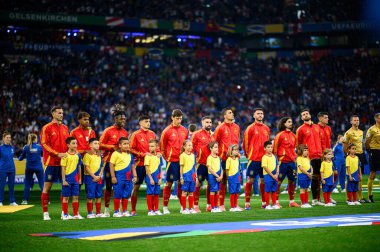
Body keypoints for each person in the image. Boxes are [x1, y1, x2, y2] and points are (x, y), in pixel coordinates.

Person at [40, 106, 69, 221]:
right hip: (51, 162)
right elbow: (44, 144)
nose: (61, 114)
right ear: (53, 114)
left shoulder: (65, 128)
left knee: (65, 186)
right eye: (59, 113)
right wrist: (57, 154)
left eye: (62, 113)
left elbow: (68, 144)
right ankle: (45, 213)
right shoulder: (46, 128)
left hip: (63, 163)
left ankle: (64, 213)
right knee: (47, 187)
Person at [99, 104, 128, 217]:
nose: (123, 121)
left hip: (121, 164)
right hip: (109, 162)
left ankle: (119, 210)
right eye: (121, 119)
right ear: (116, 119)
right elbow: (100, 145)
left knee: (121, 186)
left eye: (124, 119)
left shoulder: (125, 132)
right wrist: (112, 147)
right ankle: (106, 209)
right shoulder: (108, 131)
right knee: (109, 186)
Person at [160, 109, 189, 214]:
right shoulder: (166, 131)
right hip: (172, 161)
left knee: (182, 184)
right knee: (169, 183)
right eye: (177, 118)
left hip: (183, 161)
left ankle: (183, 207)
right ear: (172, 117)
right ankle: (165, 207)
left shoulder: (185, 130)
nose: (179, 120)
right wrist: (167, 159)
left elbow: (186, 145)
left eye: (180, 118)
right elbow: (162, 147)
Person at [129, 115, 158, 216]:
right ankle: (133, 210)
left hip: (152, 165)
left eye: (149, 121)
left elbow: (156, 147)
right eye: (146, 121)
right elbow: (130, 149)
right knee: (136, 187)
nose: (148, 123)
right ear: (140, 123)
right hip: (140, 164)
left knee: (153, 186)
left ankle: (153, 210)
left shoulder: (152, 134)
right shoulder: (135, 135)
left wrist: (158, 153)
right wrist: (142, 154)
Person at [242, 108, 269, 210]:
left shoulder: (266, 128)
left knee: (263, 181)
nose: (260, 115)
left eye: (261, 113)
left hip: (264, 159)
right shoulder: (250, 128)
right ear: (254, 115)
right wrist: (249, 155)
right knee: (250, 180)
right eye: (258, 113)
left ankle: (264, 202)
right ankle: (247, 203)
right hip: (254, 159)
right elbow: (245, 143)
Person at [214, 108, 240, 211]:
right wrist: (220, 155)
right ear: (224, 116)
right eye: (229, 113)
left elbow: (237, 141)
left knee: (236, 181)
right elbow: (215, 142)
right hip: (224, 158)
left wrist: (236, 153)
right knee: (224, 181)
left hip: (235, 159)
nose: (232, 114)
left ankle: (235, 204)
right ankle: (221, 205)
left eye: (232, 112)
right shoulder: (220, 128)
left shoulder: (237, 127)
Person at [296, 109, 323, 206]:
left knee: (319, 178)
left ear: (310, 115)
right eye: (303, 114)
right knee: (313, 178)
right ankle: (313, 200)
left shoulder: (317, 127)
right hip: (309, 157)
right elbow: (298, 145)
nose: (305, 115)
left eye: (307, 113)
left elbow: (321, 141)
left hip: (319, 155)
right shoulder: (300, 129)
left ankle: (317, 199)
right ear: (301, 118)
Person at [273, 117, 299, 208]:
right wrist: (276, 162)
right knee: (278, 182)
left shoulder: (293, 135)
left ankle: (292, 201)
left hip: (292, 162)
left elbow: (294, 149)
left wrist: (295, 158)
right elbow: (275, 150)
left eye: (291, 122)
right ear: (284, 124)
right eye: (289, 122)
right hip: (282, 162)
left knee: (292, 182)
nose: (291, 123)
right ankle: (275, 201)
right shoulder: (279, 135)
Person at [110, 137, 136, 217]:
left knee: (126, 194)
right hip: (119, 177)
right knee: (118, 194)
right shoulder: (115, 154)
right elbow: (111, 165)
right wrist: (113, 177)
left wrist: (135, 176)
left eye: (127, 144)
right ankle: (116, 212)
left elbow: (133, 166)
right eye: (124, 144)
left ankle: (124, 211)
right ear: (120, 145)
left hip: (128, 178)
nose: (126, 145)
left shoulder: (130, 155)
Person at [191, 116, 214, 212]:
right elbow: (191, 149)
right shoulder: (197, 134)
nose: (209, 124)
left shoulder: (213, 135)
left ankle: (209, 205)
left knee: (211, 184)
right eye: (207, 122)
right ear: (202, 123)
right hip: (201, 163)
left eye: (210, 122)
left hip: (211, 164)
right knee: (198, 183)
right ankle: (195, 205)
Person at [343, 115, 367, 203]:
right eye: (355, 120)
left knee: (359, 177)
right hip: (351, 155)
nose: (357, 121)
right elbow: (344, 145)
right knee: (349, 178)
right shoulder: (348, 132)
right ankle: (348, 198)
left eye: (358, 120)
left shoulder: (361, 132)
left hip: (360, 154)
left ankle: (360, 197)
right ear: (351, 122)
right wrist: (347, 155)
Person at [70, 112, 96, 191]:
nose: (87, 121)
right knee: (78, 184)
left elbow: (94, 146)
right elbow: (70, 147)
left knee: (90, 184)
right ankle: (75, 201)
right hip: (78, 162)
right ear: (79, 120)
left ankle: (90, 202)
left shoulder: (91, 132)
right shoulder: (74, 132)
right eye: (85, 119)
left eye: (88, 119)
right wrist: (83, 151)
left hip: (89, 162)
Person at [61, 137, 83, 220]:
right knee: (66, 197)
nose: (75, 145)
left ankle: (75, 214)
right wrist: (64, 180)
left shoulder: (78, 155)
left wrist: (80, 178)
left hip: (75, 180)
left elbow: (79, 167)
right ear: (68, 145)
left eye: (76, 143)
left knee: (76, 197)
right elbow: (63, 168)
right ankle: (65, 214)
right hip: (67, 179)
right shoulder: (65, 155)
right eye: (73, 143)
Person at [19, 133, 44, 205]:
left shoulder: (26, 147)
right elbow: (43, 155)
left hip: (29, 168)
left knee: (27, 184)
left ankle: (24, 200)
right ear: (35, 139)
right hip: (38, 167)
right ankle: (46, 200)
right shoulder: (39, 147)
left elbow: (20, 158)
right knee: (42, 183)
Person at [83, 138, 105, 218]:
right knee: (90, 195)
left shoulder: (100, 154)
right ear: (90, 145)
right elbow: (87, 167)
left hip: (98, 177)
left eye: (98, 143)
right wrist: (94, 176)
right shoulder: (87, 155)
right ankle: (90, 213)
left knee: (99, 195)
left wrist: (99, 175)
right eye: (95, 143)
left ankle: (98, 213)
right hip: (90, 177)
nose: (97, 145)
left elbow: (102, 165)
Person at [145, 140, 163, 216]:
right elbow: (146, 168)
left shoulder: (159, 156)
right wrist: (151, 178)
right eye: (149, 146)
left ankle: (156, 209)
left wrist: (160, 178)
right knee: (150, 193)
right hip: (150, 177)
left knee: (156, 193)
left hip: (157, 177)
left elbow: (160, 168)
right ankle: (150, 210)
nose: (150, 148)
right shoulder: (148, 156)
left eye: (152, 146)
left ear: (156, 147)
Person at [365, 112, 380, 203]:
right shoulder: (371, 129)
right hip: (374, 151)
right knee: (373, 174)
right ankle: (370, 195)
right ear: (376, 119)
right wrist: (369, 151)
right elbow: (367, 141)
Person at [179, 140, 197, 214]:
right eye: (189, 145)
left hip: (192, 177)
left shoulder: (193, 155)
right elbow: (181, 167)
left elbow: (194, 167)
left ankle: (190, 208)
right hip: (186, 176)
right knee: (184, 192)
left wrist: (195, 176)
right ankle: (183, 209)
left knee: (191, 193)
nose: (190, 147)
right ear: (184, 146)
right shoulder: (182, 155)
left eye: (191, 145)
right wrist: (181, 177)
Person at [0, 131, 17, 206]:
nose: (9, 139)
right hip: (2, 169)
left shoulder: (12, 147)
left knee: (12, 186)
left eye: (10, 137)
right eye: (7, 137)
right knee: (1, 186)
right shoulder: (0, 148)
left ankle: (12, 201)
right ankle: (0, 201)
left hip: (12, 169)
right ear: (3, 138)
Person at [261, 141, 280, 210]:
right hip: (268, 175)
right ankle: (267, 204)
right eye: (268, 147)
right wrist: (272, 175)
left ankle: (274, 204)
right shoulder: (264, 157)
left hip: (275, 175)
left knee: (274, 190)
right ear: (264, 148)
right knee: (267, 190)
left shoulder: (275, 157)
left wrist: (277, 174)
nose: (270, 149)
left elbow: (277, 165)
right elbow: (265, 167)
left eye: (271, 147)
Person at [226, 144, 243, 212]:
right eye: (235, 150)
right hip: (232, 177)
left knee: (237, 192)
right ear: (231, 151)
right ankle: (232, 207)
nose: (237, 151)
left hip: (237, 177)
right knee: (232, 192)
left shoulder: (237, 159)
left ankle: (235, 206)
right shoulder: (229, 159)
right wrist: (228, 178)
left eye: (237, 150)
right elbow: (227, 170)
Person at [207, 141, 223, 213]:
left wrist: (221, 176)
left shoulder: (218, 158)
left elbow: (221, 168)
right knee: (213, 191)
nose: (217, 148)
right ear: (211, 148)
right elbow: (209, 169)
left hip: (218, 176)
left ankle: (216, 206)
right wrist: (217, 176)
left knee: (217, 191)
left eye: (217, 147)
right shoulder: (209, 158)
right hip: (213, 176)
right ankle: (213, 207)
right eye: (215, 147)